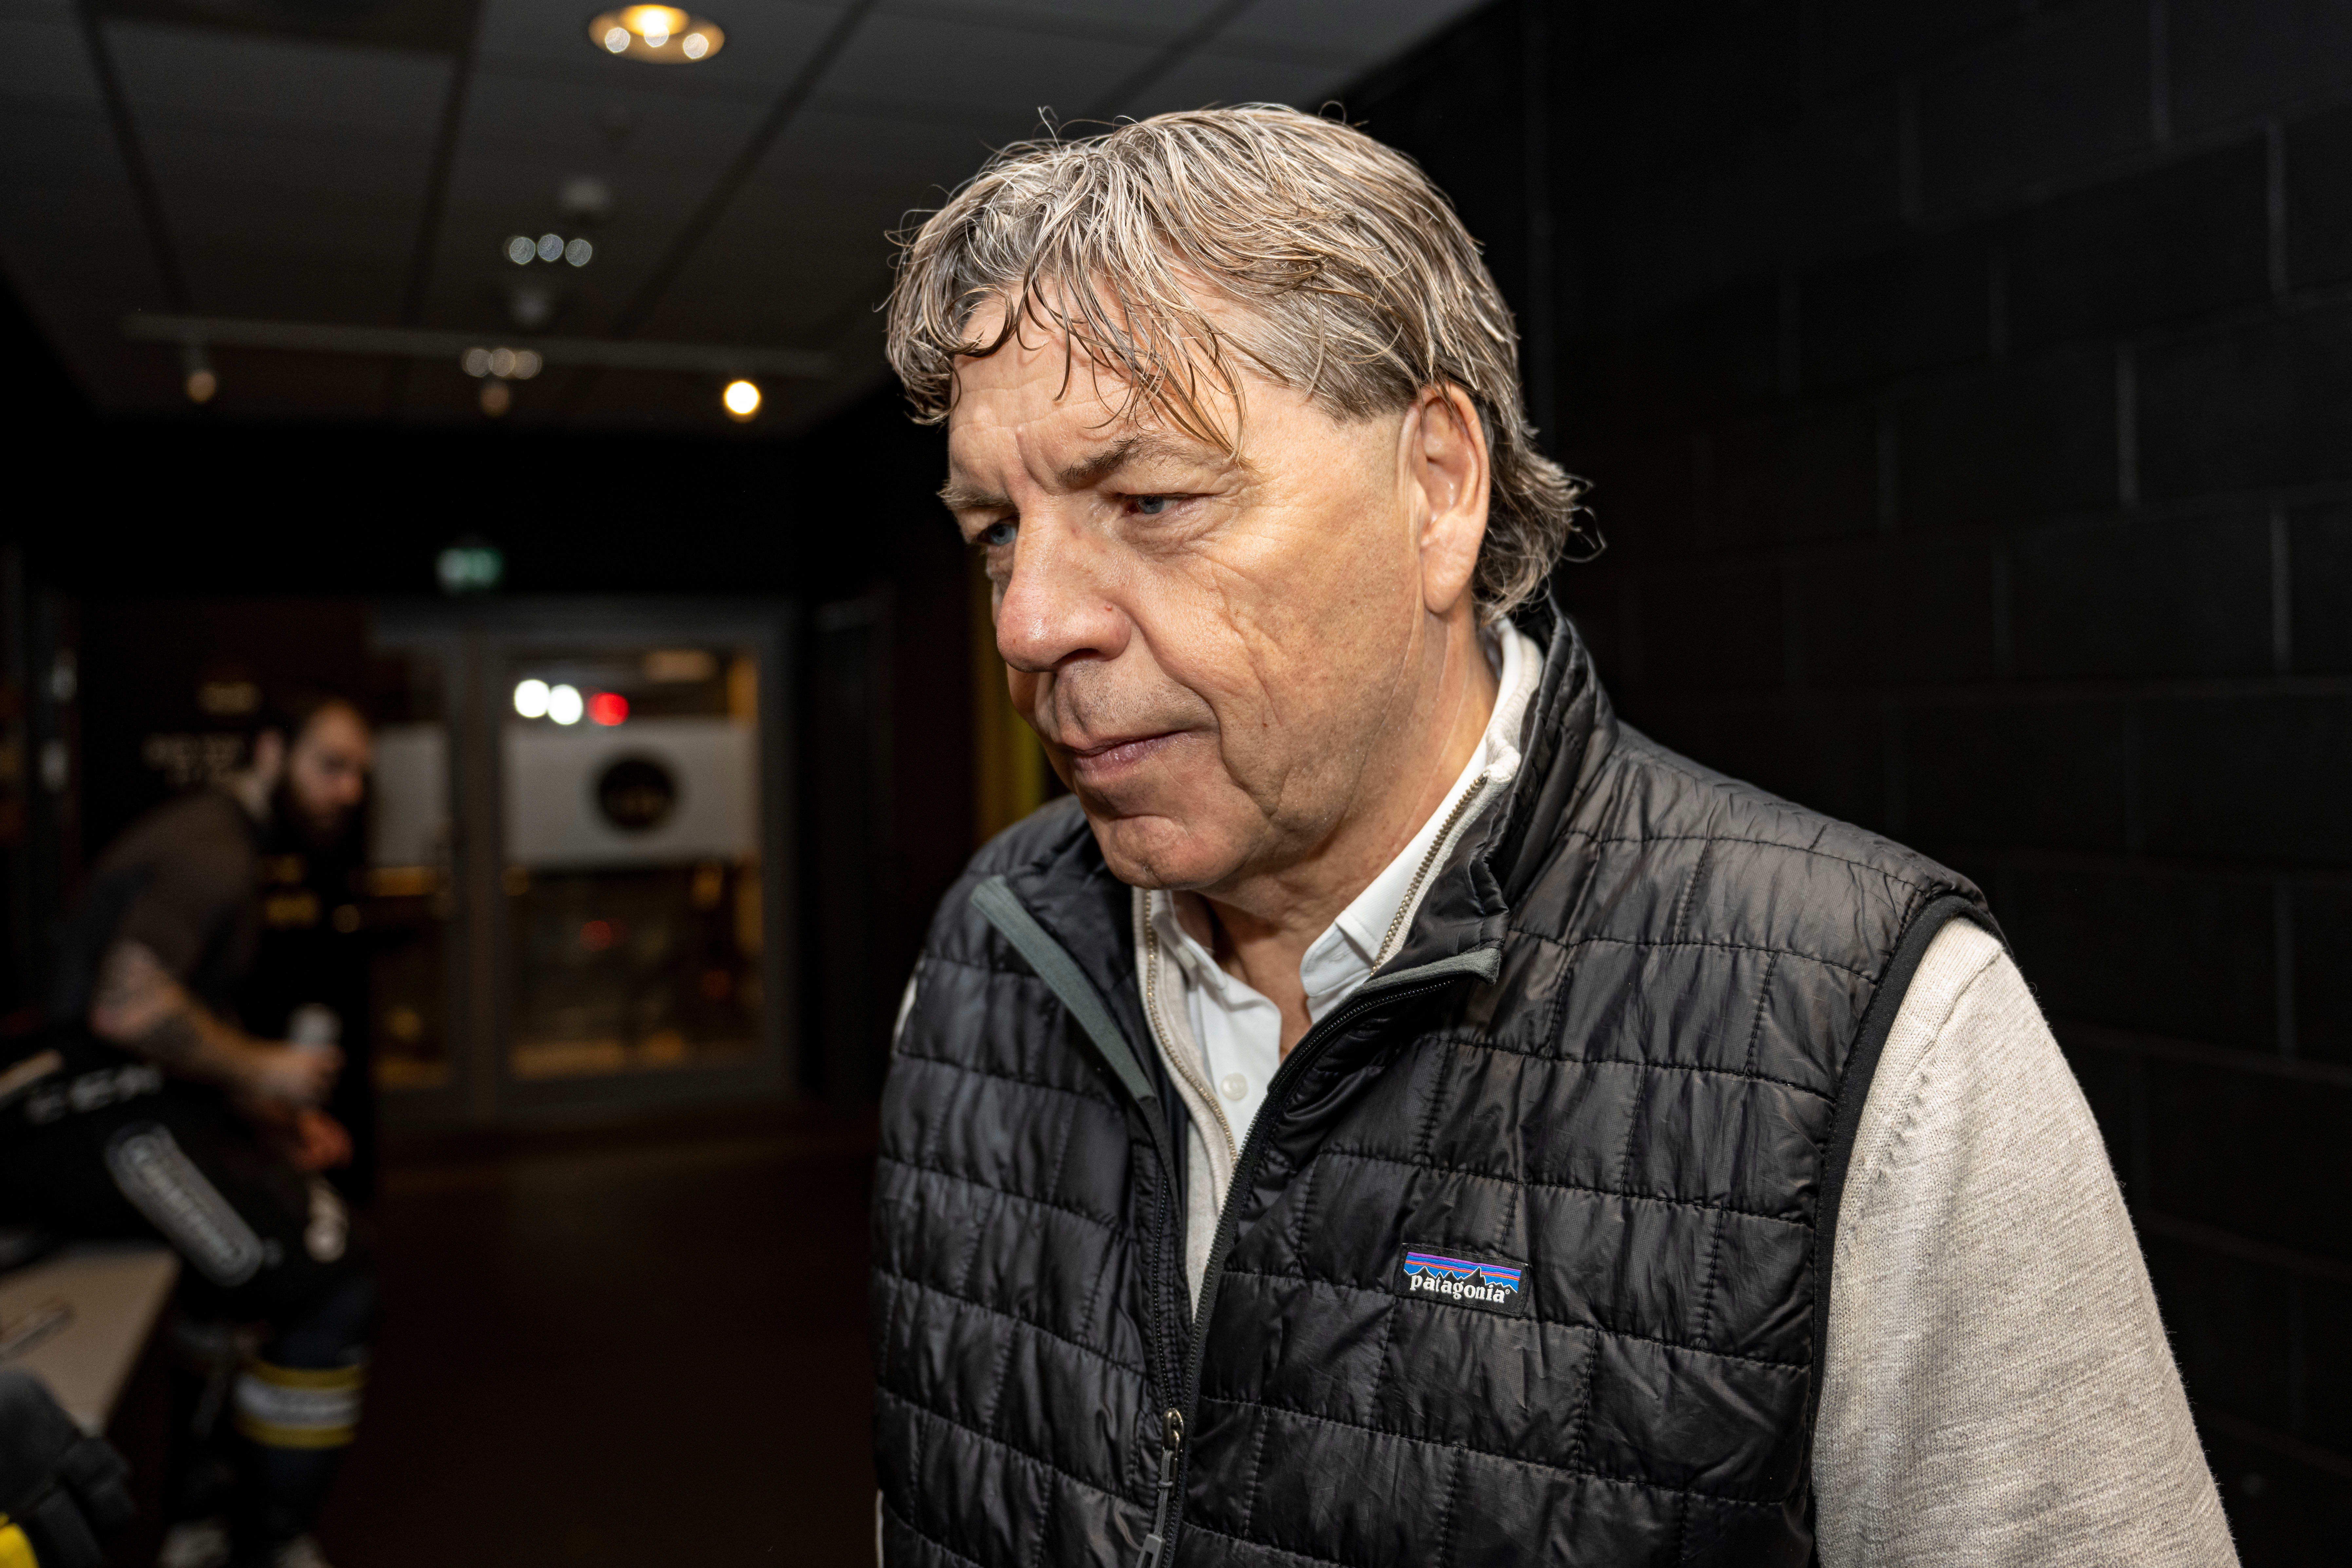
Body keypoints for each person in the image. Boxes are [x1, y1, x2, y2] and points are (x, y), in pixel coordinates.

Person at [869, 107, 2234, 1566]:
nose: (1030, 623)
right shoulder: (986, 949)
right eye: (996, 531)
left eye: (1151, 500)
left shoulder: (1869, 1028)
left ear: (1437, 488)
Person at [0, 694, 376, 1568]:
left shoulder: (219, 837)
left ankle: (198, 1511)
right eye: (331, 765)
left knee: (231, 1279)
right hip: (78, 1125)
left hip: (110, 1110)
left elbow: (188, 1016)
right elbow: (128, 1008)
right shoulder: (213, 848)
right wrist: (268, 1069)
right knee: (330, 1274)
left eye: (360, 772)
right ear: (271, 750)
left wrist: (273, 1113)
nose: (349, 790)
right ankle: (273, 1536)